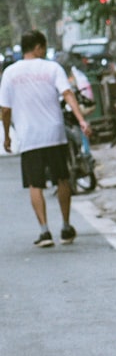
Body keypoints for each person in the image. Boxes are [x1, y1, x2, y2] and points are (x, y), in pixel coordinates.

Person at [0, 29, 92, 248]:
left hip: (29, 136)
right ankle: (66, 226)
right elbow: (68, 94)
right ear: (39, 47)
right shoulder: (52, 68)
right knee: (62, 178)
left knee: (35, 183)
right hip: (55, 133)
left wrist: (7, 136)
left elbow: (4, 109)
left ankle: (44, 231)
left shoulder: (10, 73)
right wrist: (81, 120)